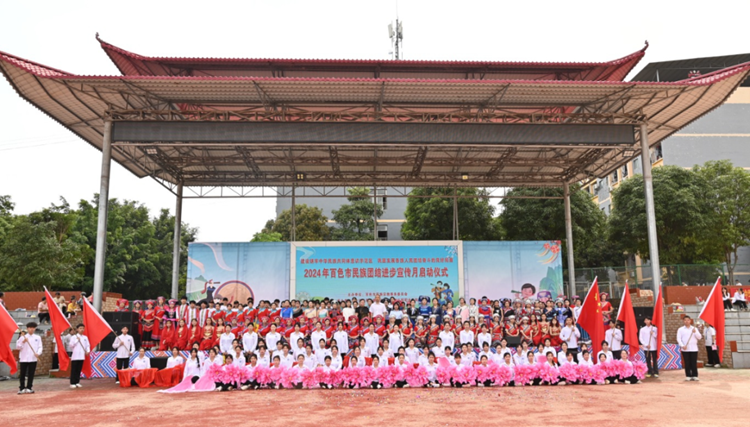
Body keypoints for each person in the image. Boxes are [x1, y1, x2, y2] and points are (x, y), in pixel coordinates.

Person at [16, 322, 43, 394]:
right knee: (22, 374)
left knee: (31, 373)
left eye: (33, 328)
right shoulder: (22, 337)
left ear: (35, 329)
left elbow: (40, 347)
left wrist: (38, 353)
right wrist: (23, 342)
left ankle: (29, 387)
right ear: (27, 328)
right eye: (30, 328)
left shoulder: (37, 337)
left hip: (33, 358)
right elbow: (18, 347)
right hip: (24, 358)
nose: (32, 329)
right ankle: (21, 388)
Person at [676, 315, 702, 381]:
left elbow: (699, 337)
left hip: (694, 348)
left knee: (693, 362)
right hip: (685, 349)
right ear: (683, 321)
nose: (686, 321)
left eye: (688, 320)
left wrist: (695, 332)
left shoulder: (694, 329)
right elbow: (678, 339)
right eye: (685, 320)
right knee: (687, 362)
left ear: (690, 321)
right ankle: (688, 375)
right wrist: (682, 345)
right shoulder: (680, 329)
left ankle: (694, 375)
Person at [69, 324, 90, 389]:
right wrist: (77, 340)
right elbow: (71, 345)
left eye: (83, 328)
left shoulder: (85, 337)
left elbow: (87, 345)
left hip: (82, 356)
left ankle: (77, 382)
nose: (82, 329)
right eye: (80, 328)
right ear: (77, 329)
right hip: (75, 356)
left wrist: (87, 351)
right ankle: (72, 383)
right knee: (74, 370)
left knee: (79, 369)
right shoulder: (74, 337)